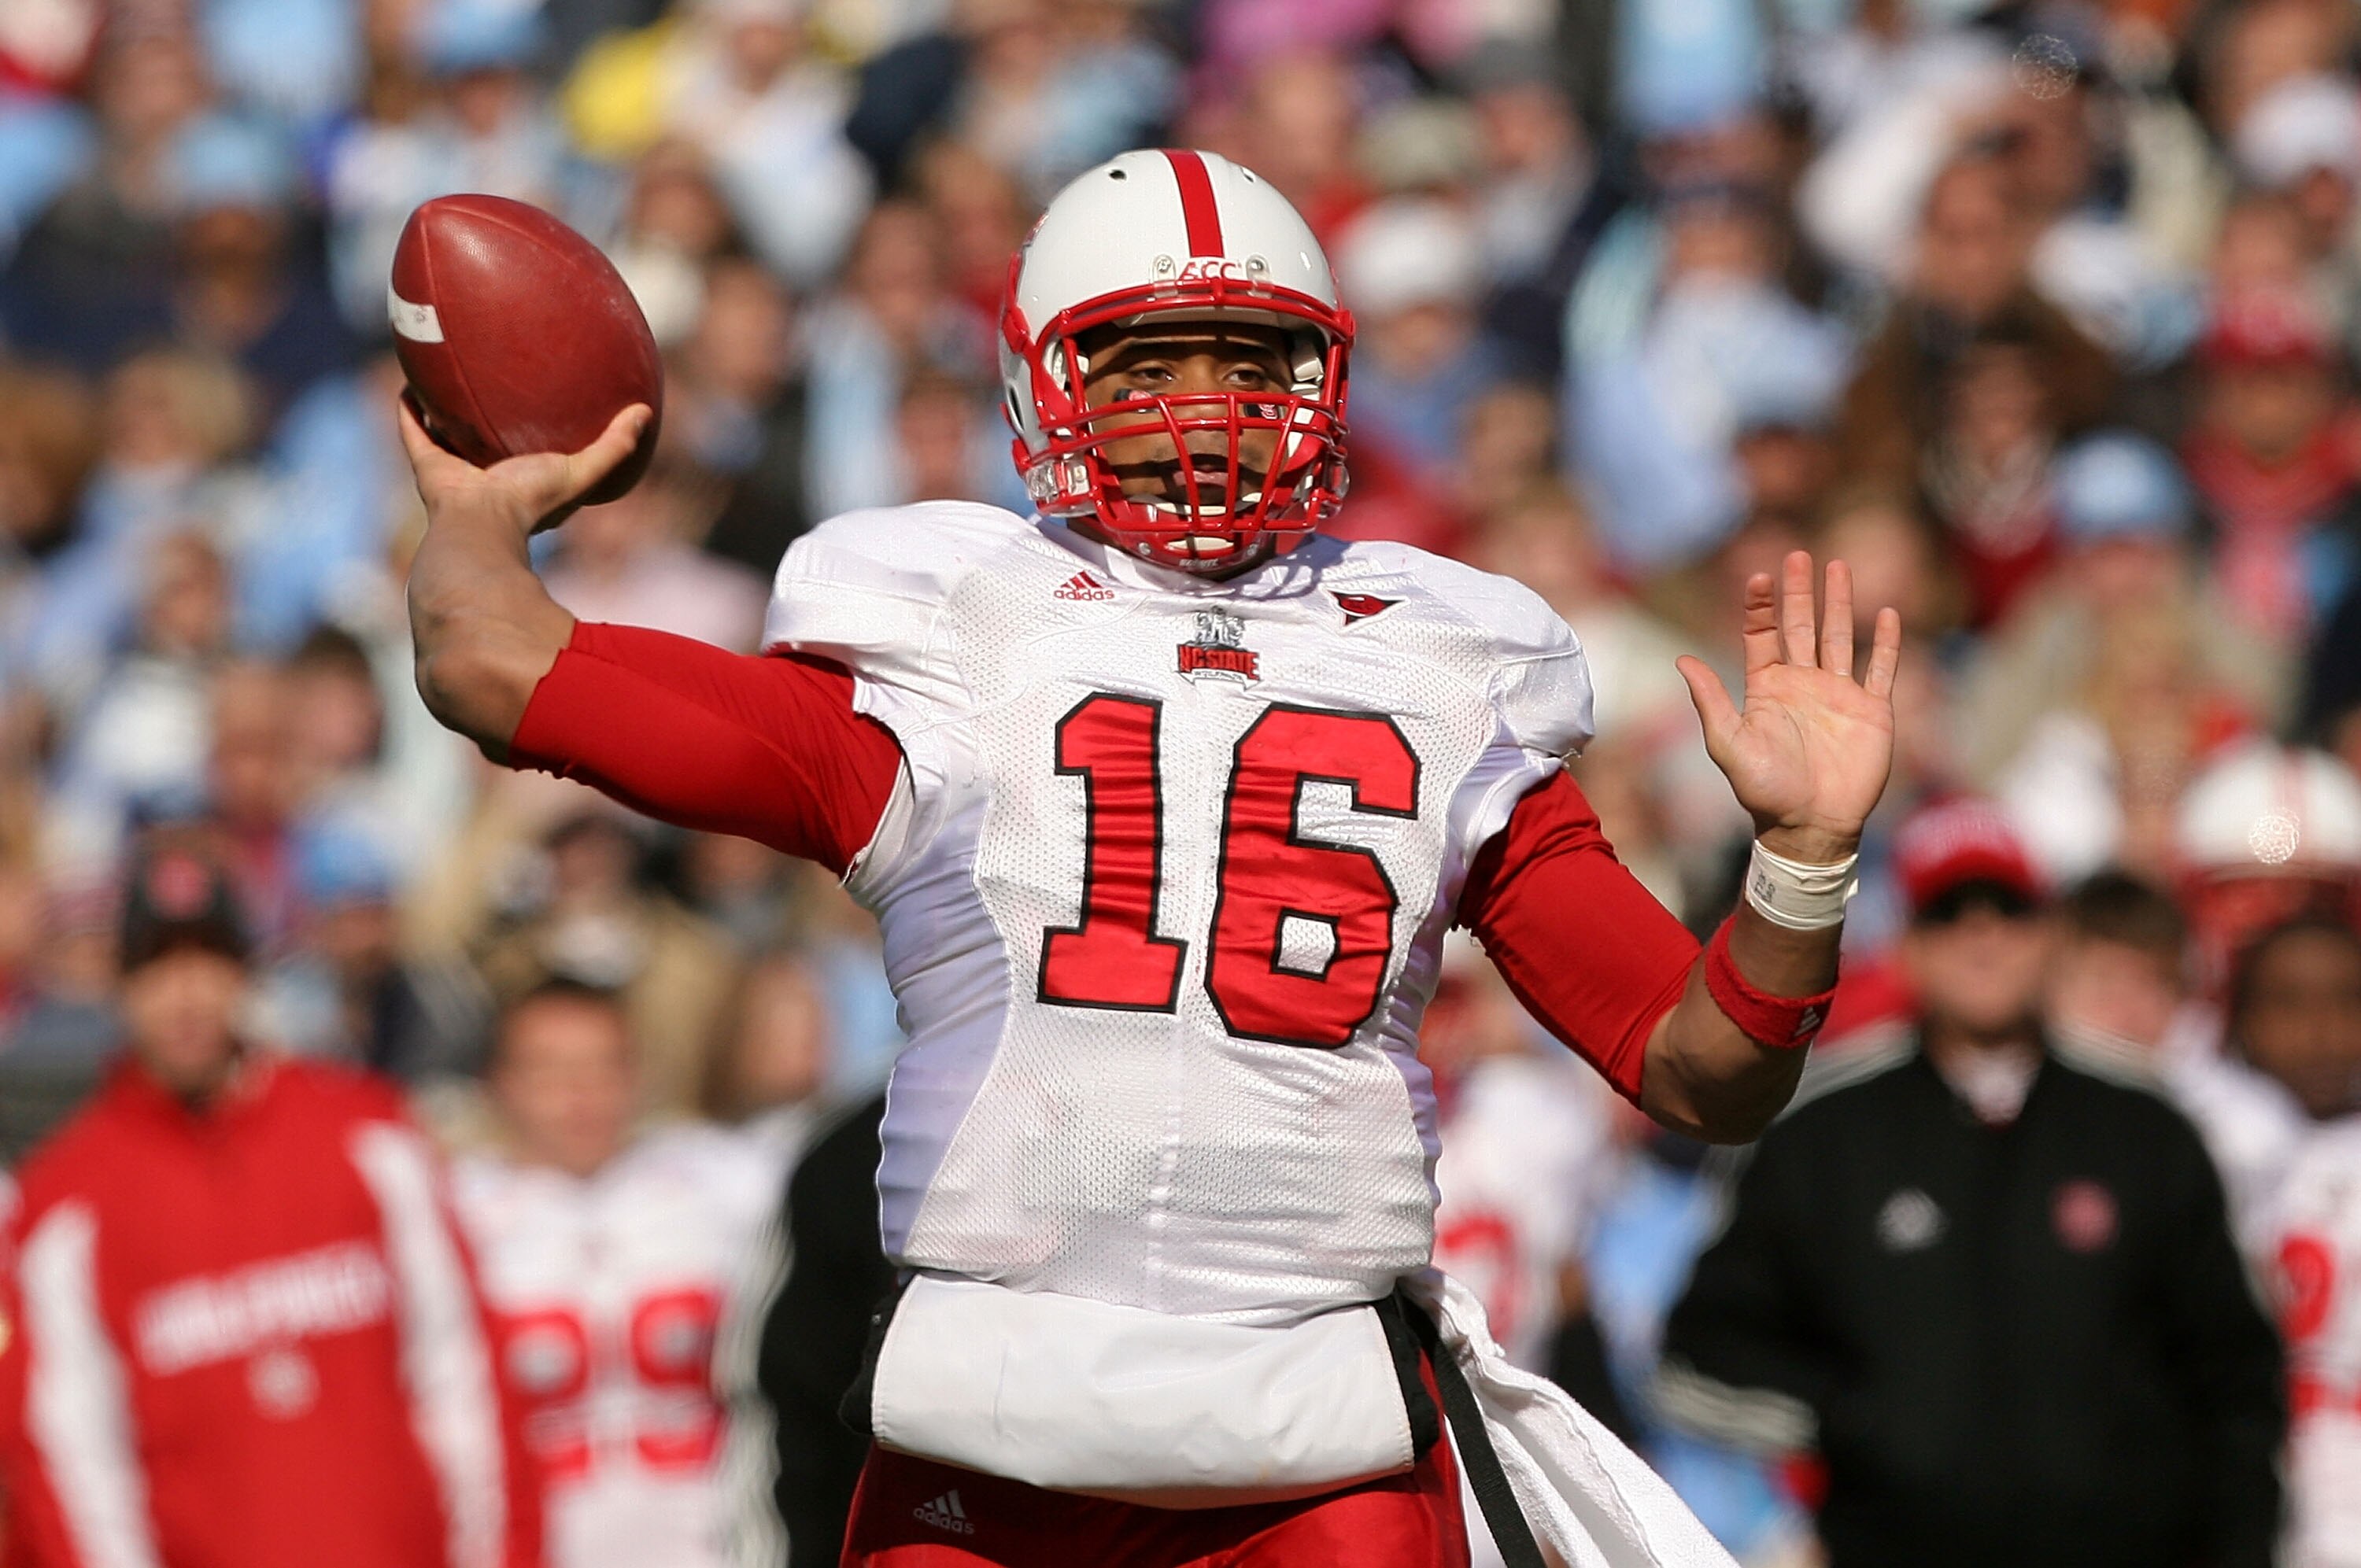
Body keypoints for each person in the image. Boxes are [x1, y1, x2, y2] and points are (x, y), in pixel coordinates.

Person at [400, 148, 1905, 1567]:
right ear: (1046, 383)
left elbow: (1703, 1069)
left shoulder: (1444, 663)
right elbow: (498, 664)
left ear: (1323, 381)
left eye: (1252, 362)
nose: (1208, 407)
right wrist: (486, 516)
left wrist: (1803, 860)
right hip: (993, 1429)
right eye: (1149, 365)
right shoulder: (951, 638)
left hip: (1318, 1444)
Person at [1656, 800, 2287, 1568]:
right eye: (1949, 912)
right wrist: (1855, 1417)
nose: (1982, 936)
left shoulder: (2143, 1124)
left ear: (2052, 935)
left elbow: (2238, 1376)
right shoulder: (1822, 1129)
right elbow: (1696, 1356)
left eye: (2009, 910)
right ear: (1908, 946)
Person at [0, 846, 541, 1568]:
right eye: (157, 966)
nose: (186, 995)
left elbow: (465, 1381)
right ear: (121, 986)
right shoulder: (68, 1203)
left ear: (246, 975)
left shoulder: (367, 1134)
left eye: (210, 961)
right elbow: (74, 1466)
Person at [453, 980, 779, 1568]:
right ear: (499, 1083)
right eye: (551, 1071)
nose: (581, 1094)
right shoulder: (456, 1214)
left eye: (604, 1067)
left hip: (712, 1545)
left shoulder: (722, 1184)